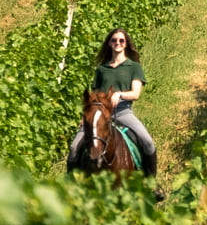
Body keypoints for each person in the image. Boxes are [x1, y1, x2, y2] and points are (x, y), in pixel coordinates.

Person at [67, 28, 158, 178]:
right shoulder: (102, 69)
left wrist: (120, 94)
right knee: (74, 147)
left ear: (126, 44)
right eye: (114, 40)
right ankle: (70, 185)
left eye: (121, 40)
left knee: (147, 142)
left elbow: (136, 93)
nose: (117, 43)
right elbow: (94, 97)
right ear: (109, 43)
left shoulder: (134, 67)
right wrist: (87, 117)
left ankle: (151, 183)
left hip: (123, 112)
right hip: (100, 114)